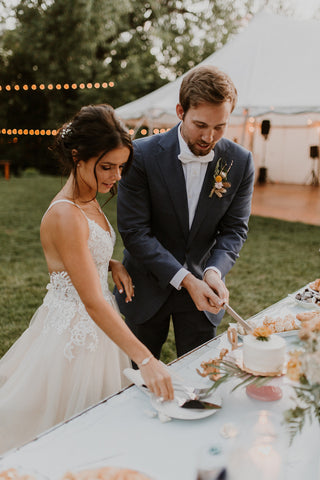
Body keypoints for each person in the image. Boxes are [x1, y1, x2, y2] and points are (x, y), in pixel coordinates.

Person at [0, 104, 173, 455]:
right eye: (107, 166)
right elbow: (92, 299)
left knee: (96, 432)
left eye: (121, 167)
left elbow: (77, 253)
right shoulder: (66, 213)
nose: (115, 177)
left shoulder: (89, 199)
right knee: (60, 435)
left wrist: (108, 263)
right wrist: (147, 359)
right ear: (78, 157)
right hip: (72, 335)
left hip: (97, 329)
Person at [115, 66, 255, 360]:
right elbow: (134, 231)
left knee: (200, 379)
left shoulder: (240, 161)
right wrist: (184, 279)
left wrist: (214, 272)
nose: (209, 136)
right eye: (200, 124)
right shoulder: (139, 156)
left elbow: (234, 230)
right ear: (180, 111)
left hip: (204, 290)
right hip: (146, 286)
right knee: (138, 381)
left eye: (220, 127)